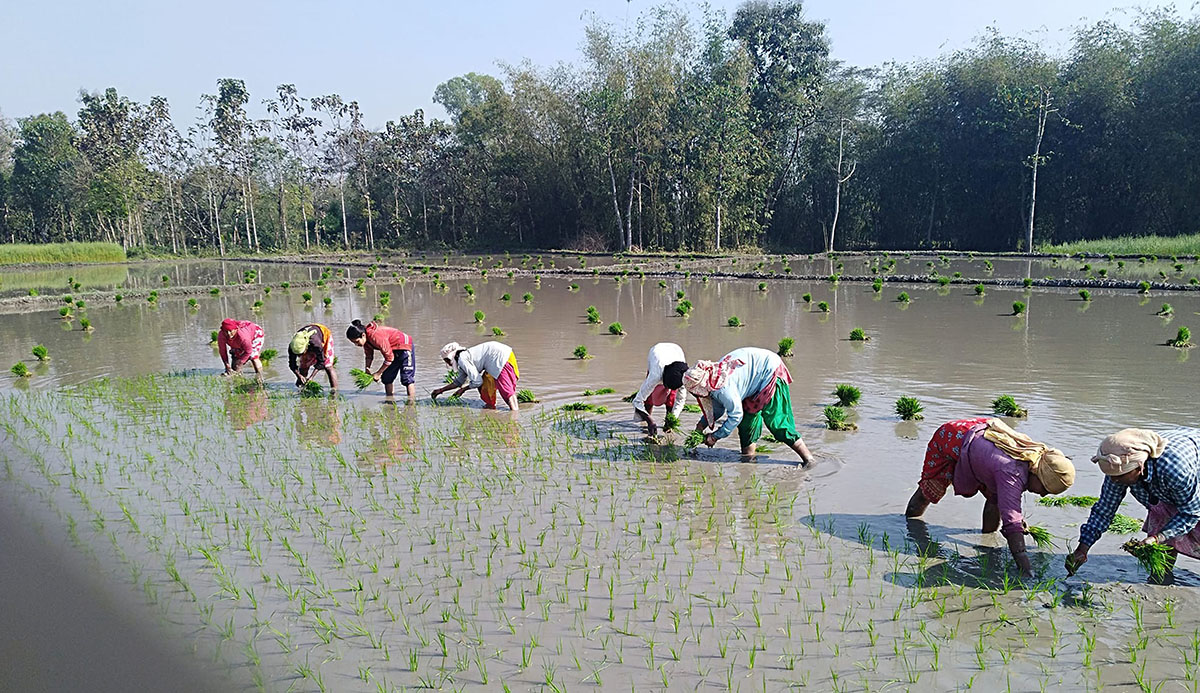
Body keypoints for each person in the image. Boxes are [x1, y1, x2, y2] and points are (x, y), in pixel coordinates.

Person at [905, 418, 1076, 578]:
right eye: (1045, 489)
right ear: (1038, 474)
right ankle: (911, 530)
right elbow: (1012, 521)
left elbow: (1008, 504)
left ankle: (987, 542)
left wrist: (1013, 522)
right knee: (929, 490)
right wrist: (1025, 568)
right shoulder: (1012, 472)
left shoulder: (1033, 458)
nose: (1043, 495)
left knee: (996, 498)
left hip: (981, 439)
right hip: (951, 438)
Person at [1067, 428, 1200, 580]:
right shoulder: (1118, 469)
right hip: (1172, 479)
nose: (1114, 481)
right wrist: (1082, 549)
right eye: (1111, 476)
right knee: (1161, 515)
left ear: (1140, 466)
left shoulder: (1175, 471)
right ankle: (1161, 575)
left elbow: (1191, 513)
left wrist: (1156, 538)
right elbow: (1105, 509)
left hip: (1193, 469)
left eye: (1120, 476)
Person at [682, 346, 815, 466]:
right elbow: (717, 409)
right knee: (746, 423)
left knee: (777, 423)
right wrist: (700, 426)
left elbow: (735, 416)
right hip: (752, 378)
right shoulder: (712, 382)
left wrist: (715, 436)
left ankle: (808, 459)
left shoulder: (723, 388)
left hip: (768, 371)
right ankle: (748, 461)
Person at [432, 341, 520, 411]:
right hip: (505, 354)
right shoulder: (463, 357)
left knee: (506, 391)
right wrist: (441, 390)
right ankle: (491, 407)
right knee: (486, 387)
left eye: (447, 361)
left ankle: (514, 416)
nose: (448, 363)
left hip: (499, 358)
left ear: (450, 358)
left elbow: (477, 381)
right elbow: (458, 382)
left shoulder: (462, 359)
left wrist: (463, 389)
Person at [345, 319, 415, 399]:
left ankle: (411, 404)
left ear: (363, 335)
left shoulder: (375, 336)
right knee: (387, 377)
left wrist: (378, 373)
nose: (356, 344)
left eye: (357, 341)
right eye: (354, 343)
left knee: (407, 378)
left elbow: (389, 358)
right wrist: (367, 368)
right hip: (393, 349)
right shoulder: (366, 341)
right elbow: (369, 356)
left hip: (405, 346)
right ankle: (389, 401)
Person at [632, 342, 689, 437]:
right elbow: (638, 401)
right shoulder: (655, 375)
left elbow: (680, 400)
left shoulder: (685, 377)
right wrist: (650, 421)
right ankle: (647, 423)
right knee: (649, 396)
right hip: (657, 352)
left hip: (676, 351)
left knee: (672, 397)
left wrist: (672, 418)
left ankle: (668, 425)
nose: (667, 390)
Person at [288, 323, 338, 392]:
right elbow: (292, 364)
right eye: (298, 355)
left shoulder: (316, 343)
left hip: (324, 335)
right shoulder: (293, 346)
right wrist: (299, 375)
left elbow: (321, 361)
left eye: (301, 354)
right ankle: (301, 388)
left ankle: (334, 391)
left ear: (306, 348)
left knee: (328, 366)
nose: (299, 356)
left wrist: (312, 377)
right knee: (303, 366)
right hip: (308, 342)